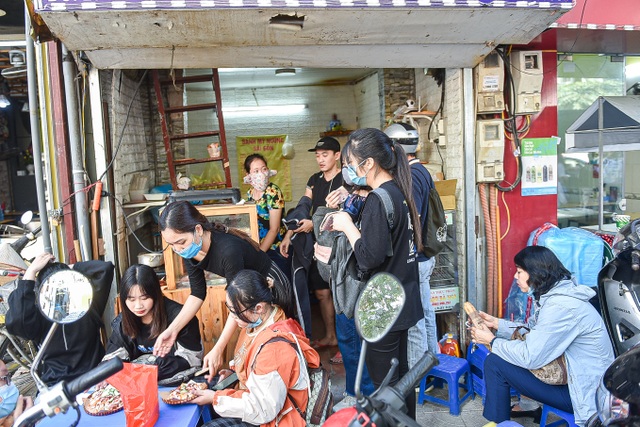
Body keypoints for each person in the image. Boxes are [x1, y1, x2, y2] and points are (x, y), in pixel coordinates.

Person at [330, 128, 423, 419]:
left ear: (368, 163)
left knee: (386, 388)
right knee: (401, 381)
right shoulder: (400, 191)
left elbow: (369, 257)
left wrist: (346, 224)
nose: (348, 170)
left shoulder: (378, 200)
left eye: (349, 163)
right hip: (404, 299)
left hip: (384, 306)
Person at [470, 245, 615, 426]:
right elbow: (534, 329)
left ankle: (498, 423)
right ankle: (510, 416)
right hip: (576, 380)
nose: (515, 277)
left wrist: (492, 340)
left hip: (585, 395)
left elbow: (531, 356)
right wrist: (498, 324)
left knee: (495, 363)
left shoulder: (560, 307)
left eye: (520, 271)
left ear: (536, 273)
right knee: (499, 359)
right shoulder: (555, 296)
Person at [154, 200, 299, 379]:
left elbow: (237, 304)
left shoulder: (227, 250)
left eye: (181, 242)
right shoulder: (189, 251)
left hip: (269, 285)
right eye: (172, 245)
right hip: (245, 293)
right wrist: (173, 330)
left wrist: (218, 349)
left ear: (198, 230)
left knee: (277, 344)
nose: (178, 249)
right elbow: (197, 293)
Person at [192, 269, 320, 427]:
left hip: (277, 418)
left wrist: (215, 398)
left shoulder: (274, 348)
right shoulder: (267, 317)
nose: (232, 317)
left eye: (235, 311)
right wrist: (235, 375)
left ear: (258, 308)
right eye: (229, 309)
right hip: (263, 403)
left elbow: (262, 410)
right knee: (204, 389)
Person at [5, 253, 114, 386]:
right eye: (51, 290)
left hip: (95, 379)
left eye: (64, 289)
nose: (59, 296)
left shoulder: (87, 306)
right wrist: (31, 271)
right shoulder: (37, 317)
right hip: (55, 385)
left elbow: (105, 268)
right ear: (40, 294)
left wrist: (64, 270)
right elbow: (17, 320)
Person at [384, 122, 440, 366]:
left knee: (416, 319)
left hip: (416, 259)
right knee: (425, 313)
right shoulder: (419, 171)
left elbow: (412, 218)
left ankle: (418, 373)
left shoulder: (413, 175)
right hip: (422, 257)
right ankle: (431, 362)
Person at [280, 136, 342, 349]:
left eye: (325, 155)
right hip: (320, 246)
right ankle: (331, 336)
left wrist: (312, 226)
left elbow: (344, 216)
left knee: (342, 294)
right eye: (318, 156)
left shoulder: (346, 182)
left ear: (337, 155)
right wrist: (289, 233)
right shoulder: (314, 180)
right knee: (322, 293)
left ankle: (346, 342)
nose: (320, 160)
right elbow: (304, 205)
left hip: (341, 245)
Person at [103, 264, 203, 382]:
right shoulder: (123, 322)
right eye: (131, 299)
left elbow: (190, 360)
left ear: (155, 293)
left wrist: (144, 372)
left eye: (144, 298)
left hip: (175, 383)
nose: (138, 305)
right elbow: (112, 358)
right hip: (137, 385)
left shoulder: (180, 318)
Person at [243, 153, 290, 278]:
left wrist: (259, 256)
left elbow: (274, 229)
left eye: (264, 169)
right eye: (256, 171)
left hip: (275, 249)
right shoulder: (250, 194)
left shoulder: (273, 192)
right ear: (248, 176)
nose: (261, 174)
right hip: (258, 248)